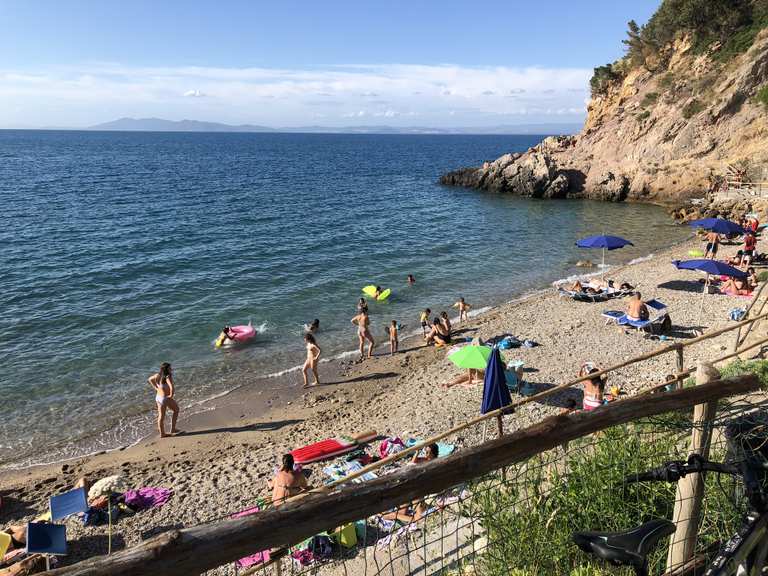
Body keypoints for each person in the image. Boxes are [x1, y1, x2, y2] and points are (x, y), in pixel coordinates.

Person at [147, 362, 180, 437]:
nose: (171, 369)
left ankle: (162, 433)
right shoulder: (167, 377)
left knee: (161, 416)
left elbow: (150, 379)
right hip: (165, 398)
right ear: (166, 369)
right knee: (176, 410)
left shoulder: (157, 375)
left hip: (158, 397)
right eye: (170, 368)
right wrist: (171, 395)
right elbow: (172, 387)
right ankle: (173, 429)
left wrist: (156, 388)